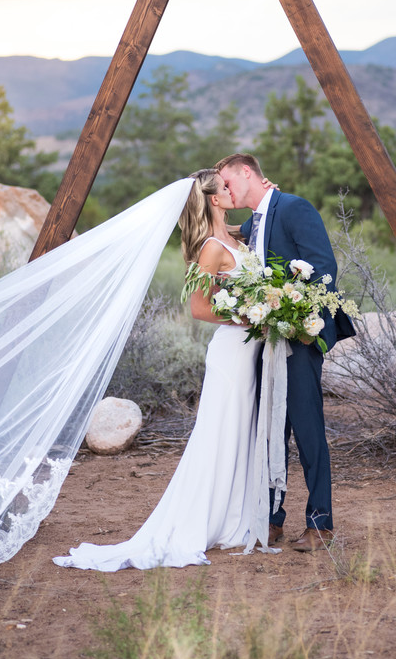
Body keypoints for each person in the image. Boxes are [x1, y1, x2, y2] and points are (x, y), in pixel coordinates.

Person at [53, 169, 268, 571]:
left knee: (240, 431)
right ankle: (205, 522)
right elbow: (200, 308)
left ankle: (235, 520)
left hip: (248, 351)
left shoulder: (234, 237)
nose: (231, 189)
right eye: (225, 187)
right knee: (219, 432)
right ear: (214, 200)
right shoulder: (210, 248)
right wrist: (252, 317)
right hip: (231, 351)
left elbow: (261, 224)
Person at [216, 153, 355, 552]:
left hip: (298, 338)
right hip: (263, 340)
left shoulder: (294, 207)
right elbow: (231, 233)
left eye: (228, 182)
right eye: (221, 187)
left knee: (307, 429)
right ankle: (271, 520)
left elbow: (323, 268)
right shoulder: (252, 221)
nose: (227, 190)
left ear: (247, 172)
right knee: (270, 430)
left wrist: (305, 327)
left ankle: (320, 524)